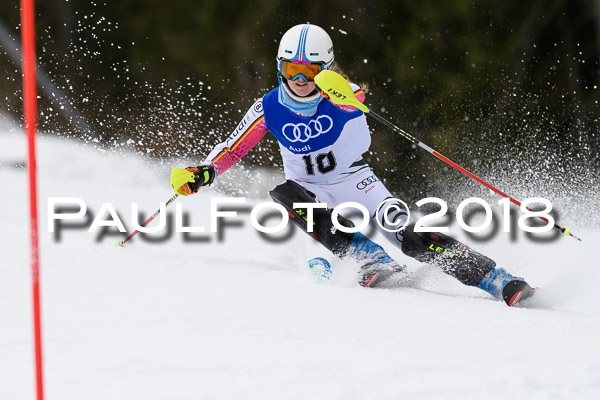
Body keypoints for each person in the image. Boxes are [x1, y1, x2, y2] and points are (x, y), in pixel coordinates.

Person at [172, 23, 536, 306]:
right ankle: (366, 254)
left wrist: (342, 92)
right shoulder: (268, 106)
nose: (299, 80)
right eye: (291, 69)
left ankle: (496, 279)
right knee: (285, 194)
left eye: (310, 71)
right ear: (279, 66)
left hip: (356, 181)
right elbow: (233, 148)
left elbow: (356, 96)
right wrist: (203, 172)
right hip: (310, 189)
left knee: (406, 232)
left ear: (326, 68)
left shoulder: (342, 94)